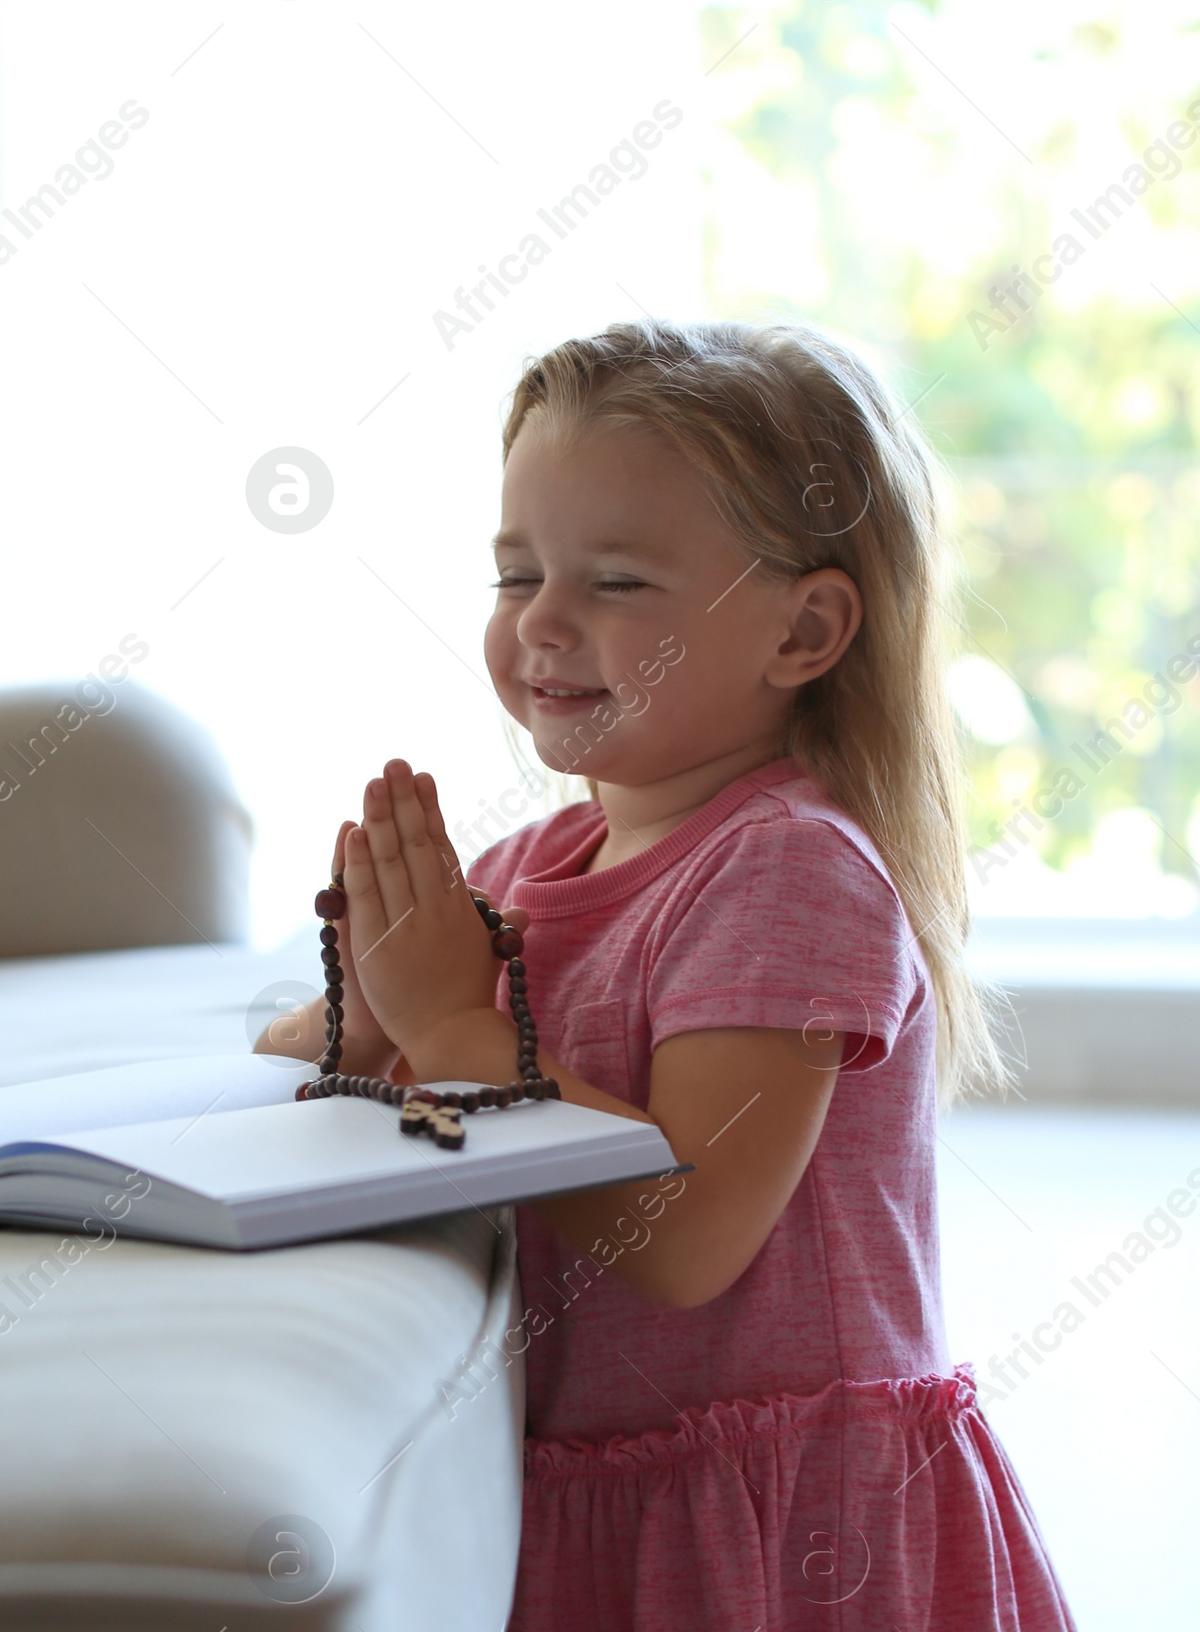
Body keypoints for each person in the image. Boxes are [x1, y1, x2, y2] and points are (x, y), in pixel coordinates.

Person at [264, 320, 1076, 1629]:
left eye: (620, 583)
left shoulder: (791, 869)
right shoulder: (530, 860)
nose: (543, 623)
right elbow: (291, 1074)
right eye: (516, 572)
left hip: (784, 1519)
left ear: (804, 629)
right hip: (593, 1487)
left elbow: (690, 1230)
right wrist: (363, 1023)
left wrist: (455, 1024)